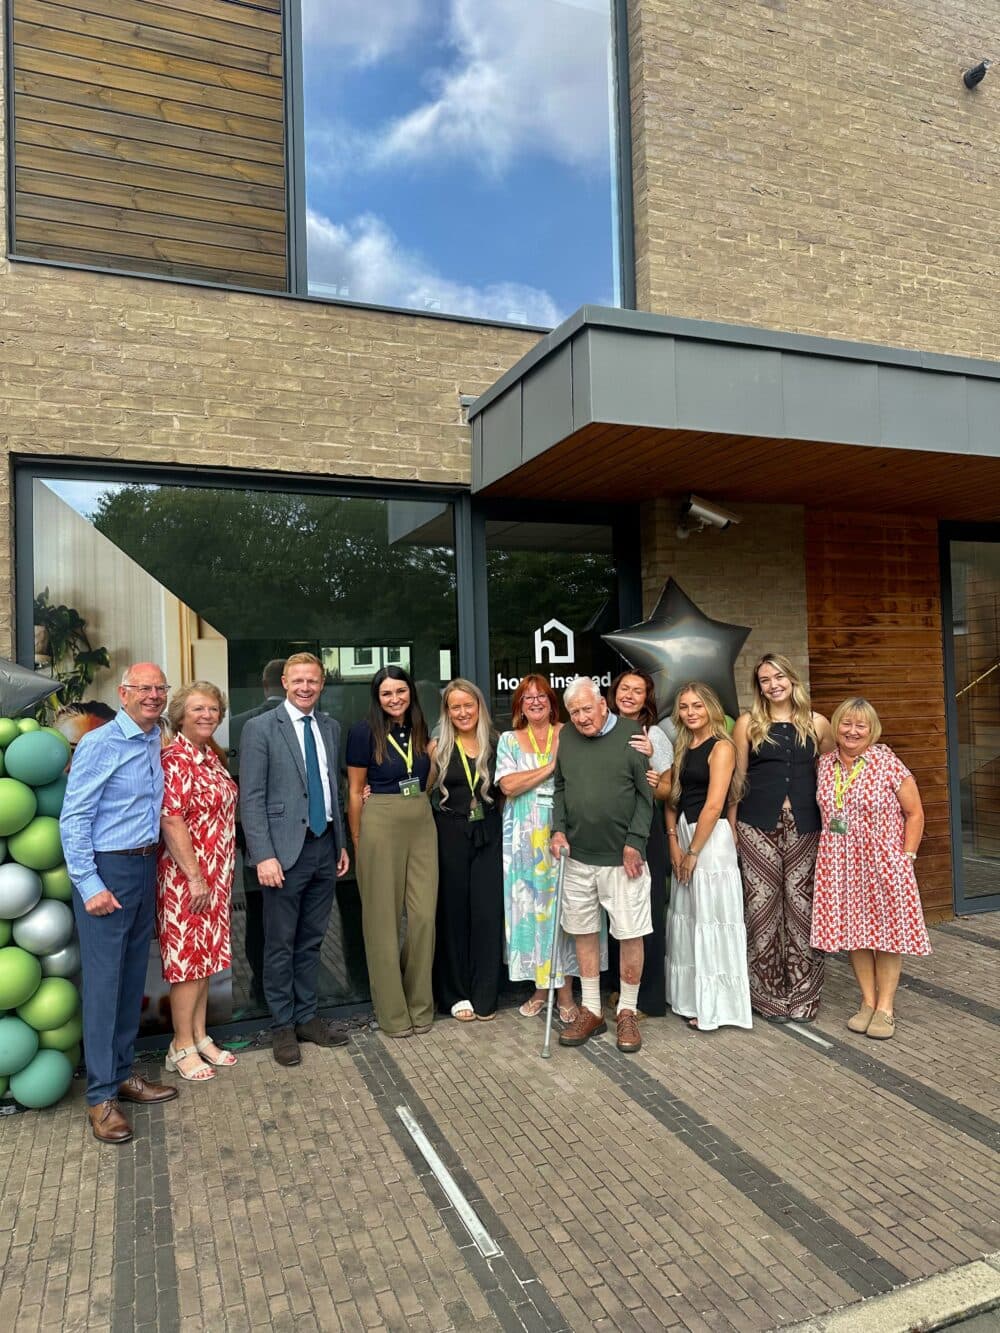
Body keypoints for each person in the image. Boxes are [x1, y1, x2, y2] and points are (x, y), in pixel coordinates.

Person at [60, 662, 179, 1144]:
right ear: (123, 693)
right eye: (143, 689)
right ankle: (101, 1097)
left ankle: (124, 1074)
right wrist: (89, 884)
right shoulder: (99, 743)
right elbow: (74, 819)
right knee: (105, 984)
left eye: (159, 689)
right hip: (107, 871)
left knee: (132, 978)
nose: (153, 696)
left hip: (143, 866)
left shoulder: (152, 739)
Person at [239, 652, 350, 1067]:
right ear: (284, 682)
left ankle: (307, 1017)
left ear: (322, 685)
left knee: (312, 940)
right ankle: (282, 1024)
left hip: (323, 847)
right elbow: (250, 799)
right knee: (279, 944)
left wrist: (340, 844)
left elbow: (331, 790)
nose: (306, 688)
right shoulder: (259, 728)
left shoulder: (330, 726)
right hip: (283, 854)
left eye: (314, 681)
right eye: (298, 680)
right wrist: (263, 855)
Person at [810, 697, 929, 1039]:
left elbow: (915, 813)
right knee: (855, 935)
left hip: (884, 862)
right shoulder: (825, 764)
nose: (852, 731)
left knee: (887, 936)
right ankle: (866, 1001)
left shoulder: (887, 762)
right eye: (846, 724)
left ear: (872, 730)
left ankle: (886, 1008)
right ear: (837, 727)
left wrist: (907, 856)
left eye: (860, 725)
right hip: (840, 862)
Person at [550, 676, 653, 1054]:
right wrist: (557, 830)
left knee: (629, 932)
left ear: (603, 705)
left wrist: (634, 843)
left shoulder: (631, 736)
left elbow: (646, 797)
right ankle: (591, 1009)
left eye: (586, 709)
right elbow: (560, 788)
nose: (580, 718)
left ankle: (627, 1009)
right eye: (574, 711)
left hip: (622, 861)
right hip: (577, 857)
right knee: (583, 931)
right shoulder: (568, 739)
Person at [730, 654, 834, 1022]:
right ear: (758, 687)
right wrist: (731, 827)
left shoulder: (818, 723)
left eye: (778, 677)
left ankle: (804, 995)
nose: (773, 684)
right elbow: (738, 780)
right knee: (761, 910)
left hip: (807, 826)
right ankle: (768, 996)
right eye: (764, 680)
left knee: (802, 909)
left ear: (792, 679)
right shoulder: (747, 724)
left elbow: (830, 776)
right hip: (756, 825)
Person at [496, 676, 599, 1024]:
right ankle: (541, 989)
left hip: (565, 834)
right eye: (527, 698)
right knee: (533, 912)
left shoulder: (569, 733)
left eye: (541, 696)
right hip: (525, 841)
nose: (535, 702)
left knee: (566, 912)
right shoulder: (509, 740)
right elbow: (508, 786)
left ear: (552, 702)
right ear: (519, 706)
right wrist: (551, 768)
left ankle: (566, 992)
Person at [346, 666, 437, 1038]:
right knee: (382, 923)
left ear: (411, 693)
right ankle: (393, 1013)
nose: (395, 699)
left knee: (423, 919)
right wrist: (357, 838)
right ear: (377, 698)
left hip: (421, 819)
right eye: (387, 693)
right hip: (380, 822)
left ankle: (420, 1004)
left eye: (401, 691)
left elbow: (427, 775)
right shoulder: (363, 732)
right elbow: (354, 790)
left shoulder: (419, 729)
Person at [156, 681, 239, 1082]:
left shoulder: (210, 757)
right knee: (187, 964)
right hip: (187, 879)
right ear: (180, 715)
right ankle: (180, 1045)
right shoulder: (175, 759)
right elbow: (170, 818)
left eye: (213, 710)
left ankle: (201, 1036)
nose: (207, 716)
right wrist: (194, 877)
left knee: (205, 960)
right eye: (198, 710)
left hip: (216, 876)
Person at [661, 682, 752, 1032]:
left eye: (697, 706)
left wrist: (694, 851)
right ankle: (689, 999)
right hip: (685, 833)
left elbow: (715, 804)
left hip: (709, 840)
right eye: (684, 707)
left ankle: (715, 1007)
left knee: (711, 921)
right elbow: (672, 795)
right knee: (688, 918)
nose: (690, 712)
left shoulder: (722, 748)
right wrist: (674, 842)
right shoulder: (683, 745)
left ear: (711, 708)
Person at [429, 679, 503, 1022]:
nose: (462, 712)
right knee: (453, 912)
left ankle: (486, 992)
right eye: (455, 706)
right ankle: (456, 993)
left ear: (479, 707)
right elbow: (419, 789)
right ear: (447, 711)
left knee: (487, 913)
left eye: (468, 705)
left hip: (488, 832)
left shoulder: (498, 742)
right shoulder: (437, 746)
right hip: (450, 833)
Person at [607, 670, 673, 1017]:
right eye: (624, 688)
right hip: (609, 835)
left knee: (646, 915)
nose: (629, 695)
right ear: (614, 691)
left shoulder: (654, 734)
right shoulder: (601, 728)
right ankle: (621, 987)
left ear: (646, 698)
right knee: (617, 916)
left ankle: (647, 997)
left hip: (646, 834)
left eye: (638, 691)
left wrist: (651, 765)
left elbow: (667, 790)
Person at [228, 657, 286, 1008]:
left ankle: (262, 989)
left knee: (258, 912)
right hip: (284, 835)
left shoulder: (236, 724)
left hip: (248, 832)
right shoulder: (256, 725)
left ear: (265, 685)